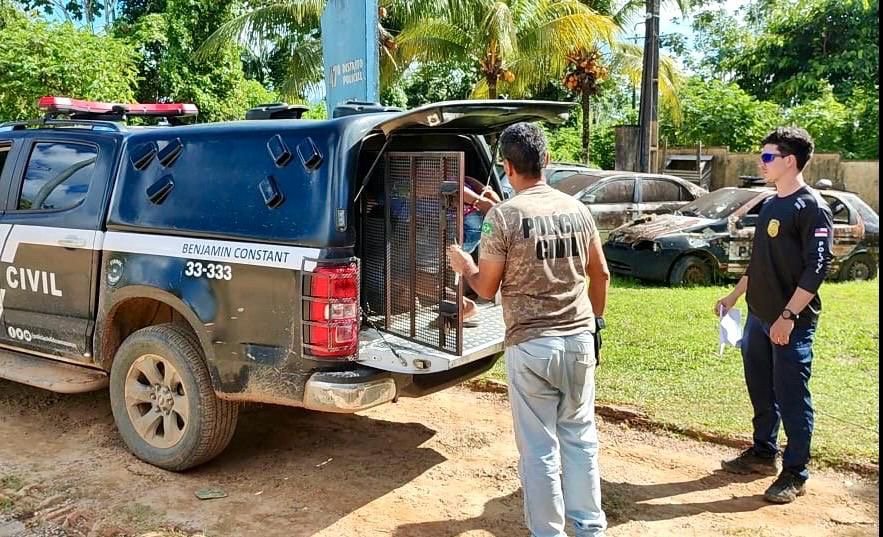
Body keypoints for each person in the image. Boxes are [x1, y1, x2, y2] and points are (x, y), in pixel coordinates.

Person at [448, 122, 610, 537]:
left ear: (507, 167)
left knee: (539, 450)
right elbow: (601, 274)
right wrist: (596, 322)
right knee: (580, 439)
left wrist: (465, 266)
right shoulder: (577, 209)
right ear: (547, 160)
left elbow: (485, 288)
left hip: (531, 345)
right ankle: (590, 528)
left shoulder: (502, 217)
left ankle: (548, 532)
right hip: (579, 340)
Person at [716, 126, 833, 504]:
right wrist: (734, 296)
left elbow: (817, 269)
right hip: (758, 316)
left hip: (790, 323)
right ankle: (763, 453)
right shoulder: (770, 204)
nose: (761, 163)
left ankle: (795, 473)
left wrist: (787, 316)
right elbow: (759, 263)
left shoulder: (812, 207)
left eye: (767, 157)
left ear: (790, 161)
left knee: (792, 396)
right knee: (762, 390)